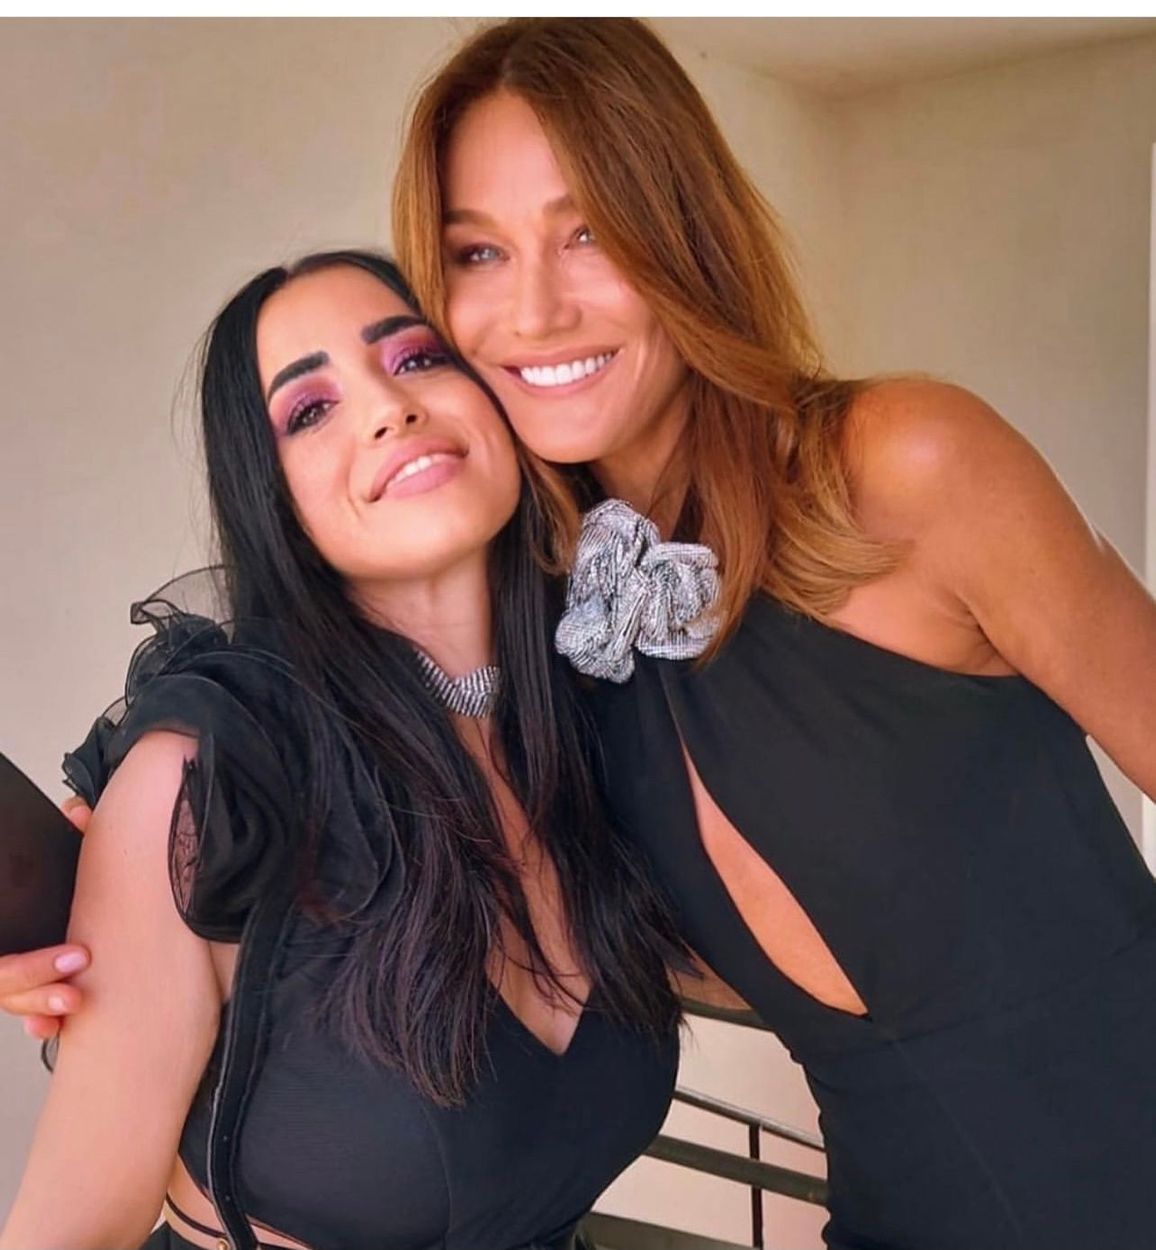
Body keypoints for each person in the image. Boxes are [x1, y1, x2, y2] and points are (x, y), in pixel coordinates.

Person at [8, 16, 1156, 1249]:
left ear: (683, 230)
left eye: (590, 229)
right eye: (479, 252)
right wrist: (114, 922)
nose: (538, 309)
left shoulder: (897, 465)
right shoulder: (574, 663)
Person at [0, 249, 682, 1250]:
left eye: (417, 359)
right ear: (269, 496)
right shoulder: (209, 782)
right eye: (310, 409)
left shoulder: (597, 726)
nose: (389, 409)